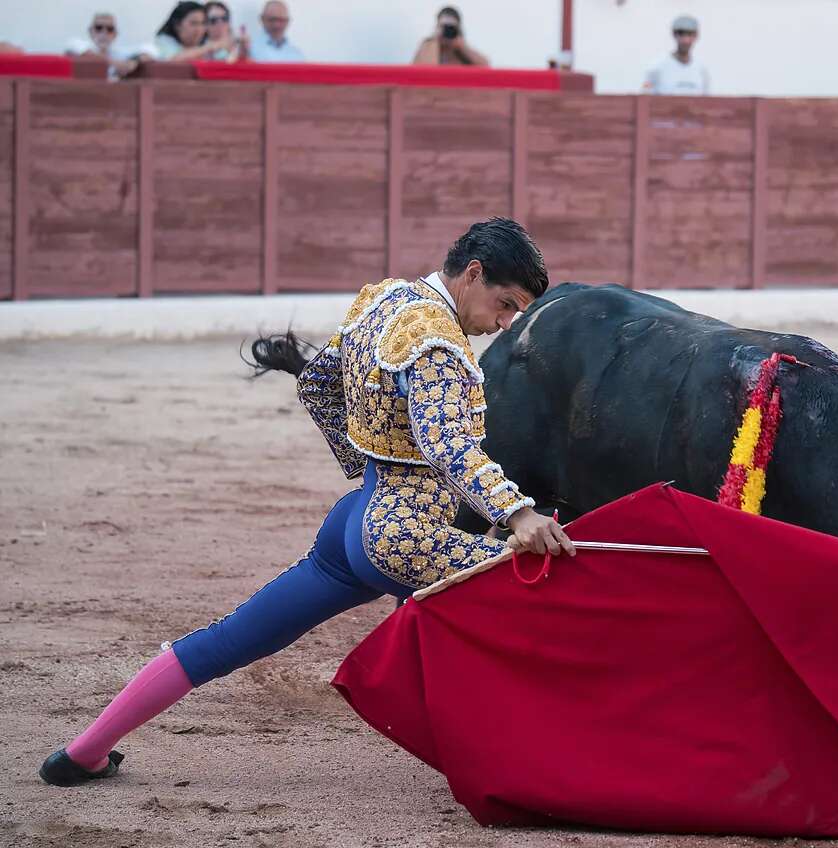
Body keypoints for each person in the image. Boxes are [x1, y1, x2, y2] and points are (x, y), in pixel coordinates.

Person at [38, 218, 575, 787]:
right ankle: (551, 765)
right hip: (407, 536)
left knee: (232, 638)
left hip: (353, 524)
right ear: (473, 274)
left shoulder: (387, 302)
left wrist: (363, 459)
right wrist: (517, 513)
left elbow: (318, 379)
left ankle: (82, 753)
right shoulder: (437, 340)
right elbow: (450, 444)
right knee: (542, 599)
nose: (505, 322)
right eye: (506, 303)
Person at [643, 14, 710, 95]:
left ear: (696, 36)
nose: (685, 40)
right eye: (681, 34)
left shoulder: (701, 71)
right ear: (674, 34)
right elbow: (645, 98)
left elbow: (705, 101)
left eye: (690, 34)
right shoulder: (657, 68)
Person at [64, 12, 139, 79]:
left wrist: (134, 62)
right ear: (90, 31)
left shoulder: (119, 53)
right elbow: (76, 48)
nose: (104, 32)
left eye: (110, 29)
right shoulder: (77, 44)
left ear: (115, 34)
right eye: (98, 28)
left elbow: (147, 49)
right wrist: (115, 63)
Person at [412, 6, 489, 66]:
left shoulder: (462, 50)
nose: (447, 31)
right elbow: (422, 69)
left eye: (451, 28)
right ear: (437, 27)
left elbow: (485, 66)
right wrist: (434, 41)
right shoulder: (428, 46)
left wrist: (462, 47)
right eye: (444, 26)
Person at [151, 1, 226, 61]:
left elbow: (227, 61)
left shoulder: (208, 44)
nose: (199, 29)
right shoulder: (163, 41)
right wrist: (206, 49)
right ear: (177, 25)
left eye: (203, 23)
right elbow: (171, 61)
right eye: (194, 23)